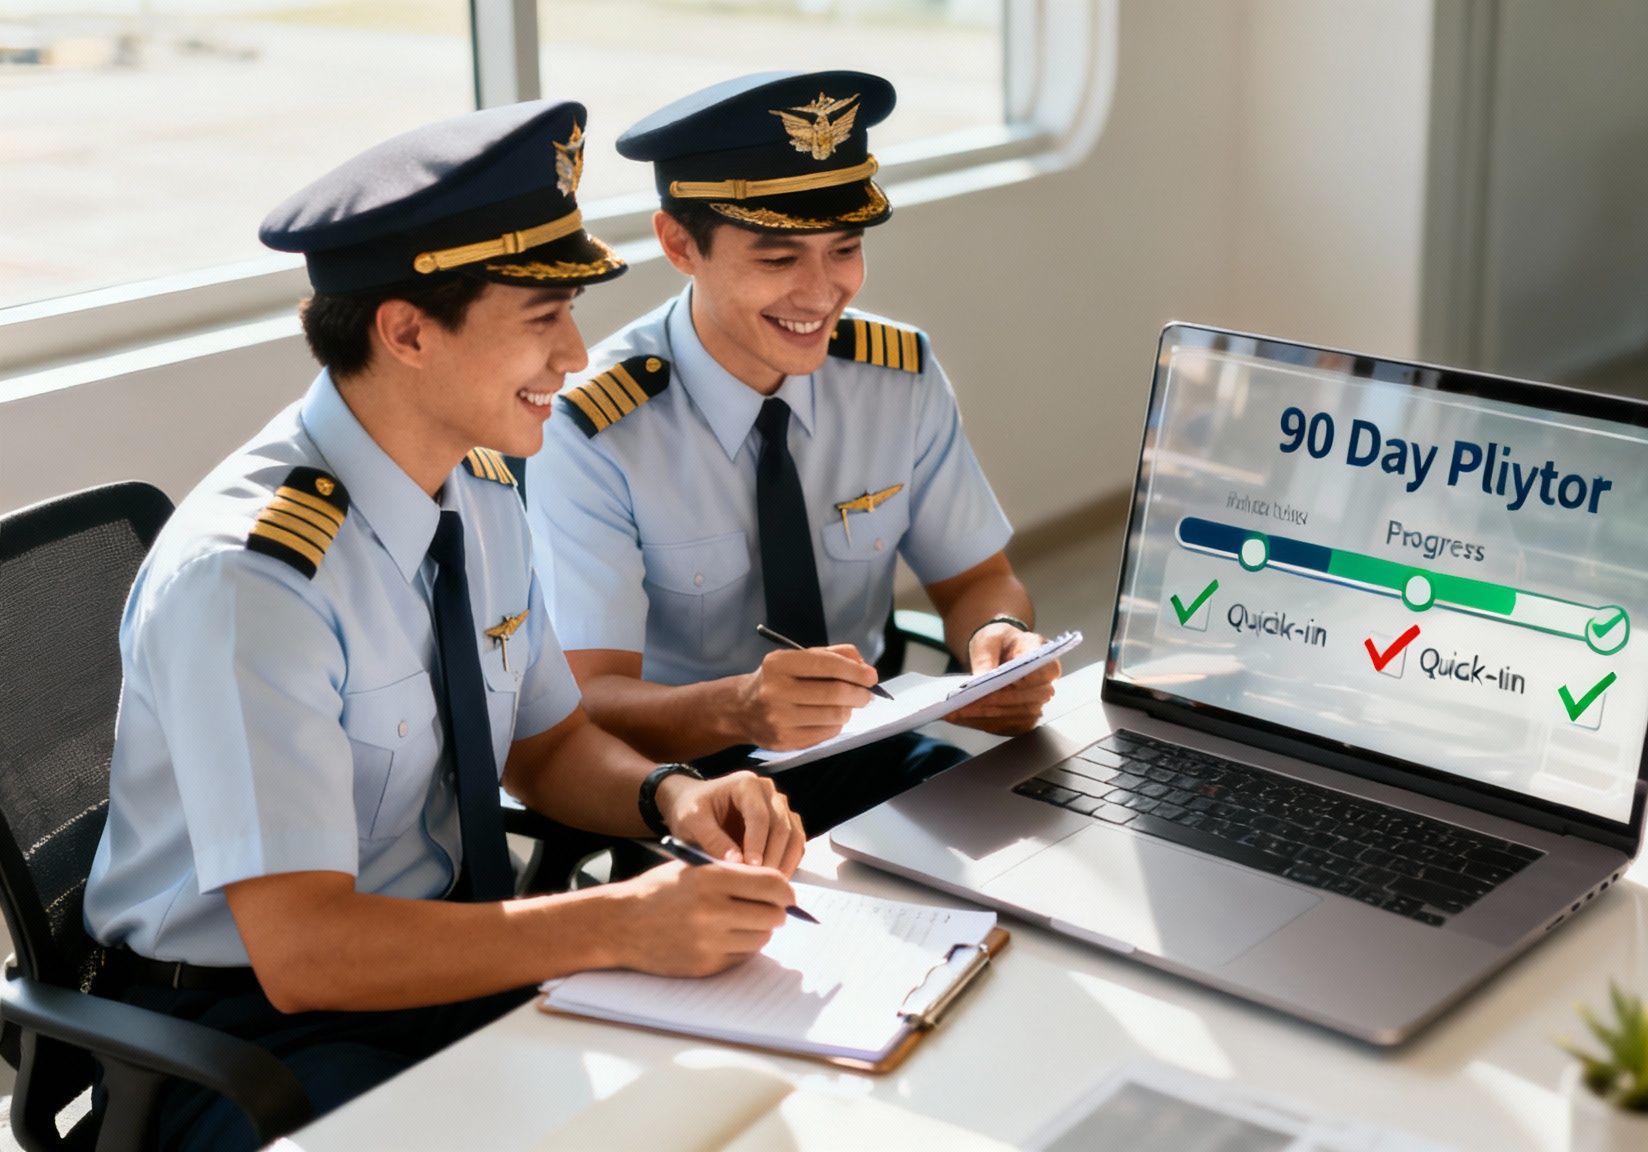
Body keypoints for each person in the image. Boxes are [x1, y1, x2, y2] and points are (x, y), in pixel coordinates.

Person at [82, 100, 806, 1152]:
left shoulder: (478, 488)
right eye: (541, 317)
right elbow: (305, 952)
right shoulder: (253, 581)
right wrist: (614, 923)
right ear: (407, 332)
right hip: (249, 1032)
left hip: (444, 962)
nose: (575, 353)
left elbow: (545, 744)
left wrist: (673, 796)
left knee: (744, 1100)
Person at [525, 71, 1059, 833]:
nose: (820, 293)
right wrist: (740, 708)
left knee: (1026, 834)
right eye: (778, 261)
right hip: (685, 779)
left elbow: (978, 578)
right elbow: (588, 697)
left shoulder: (897, 377)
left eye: (844, 249)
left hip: (867, 741)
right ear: (679, 244)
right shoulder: (593, 428)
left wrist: (993, 639)